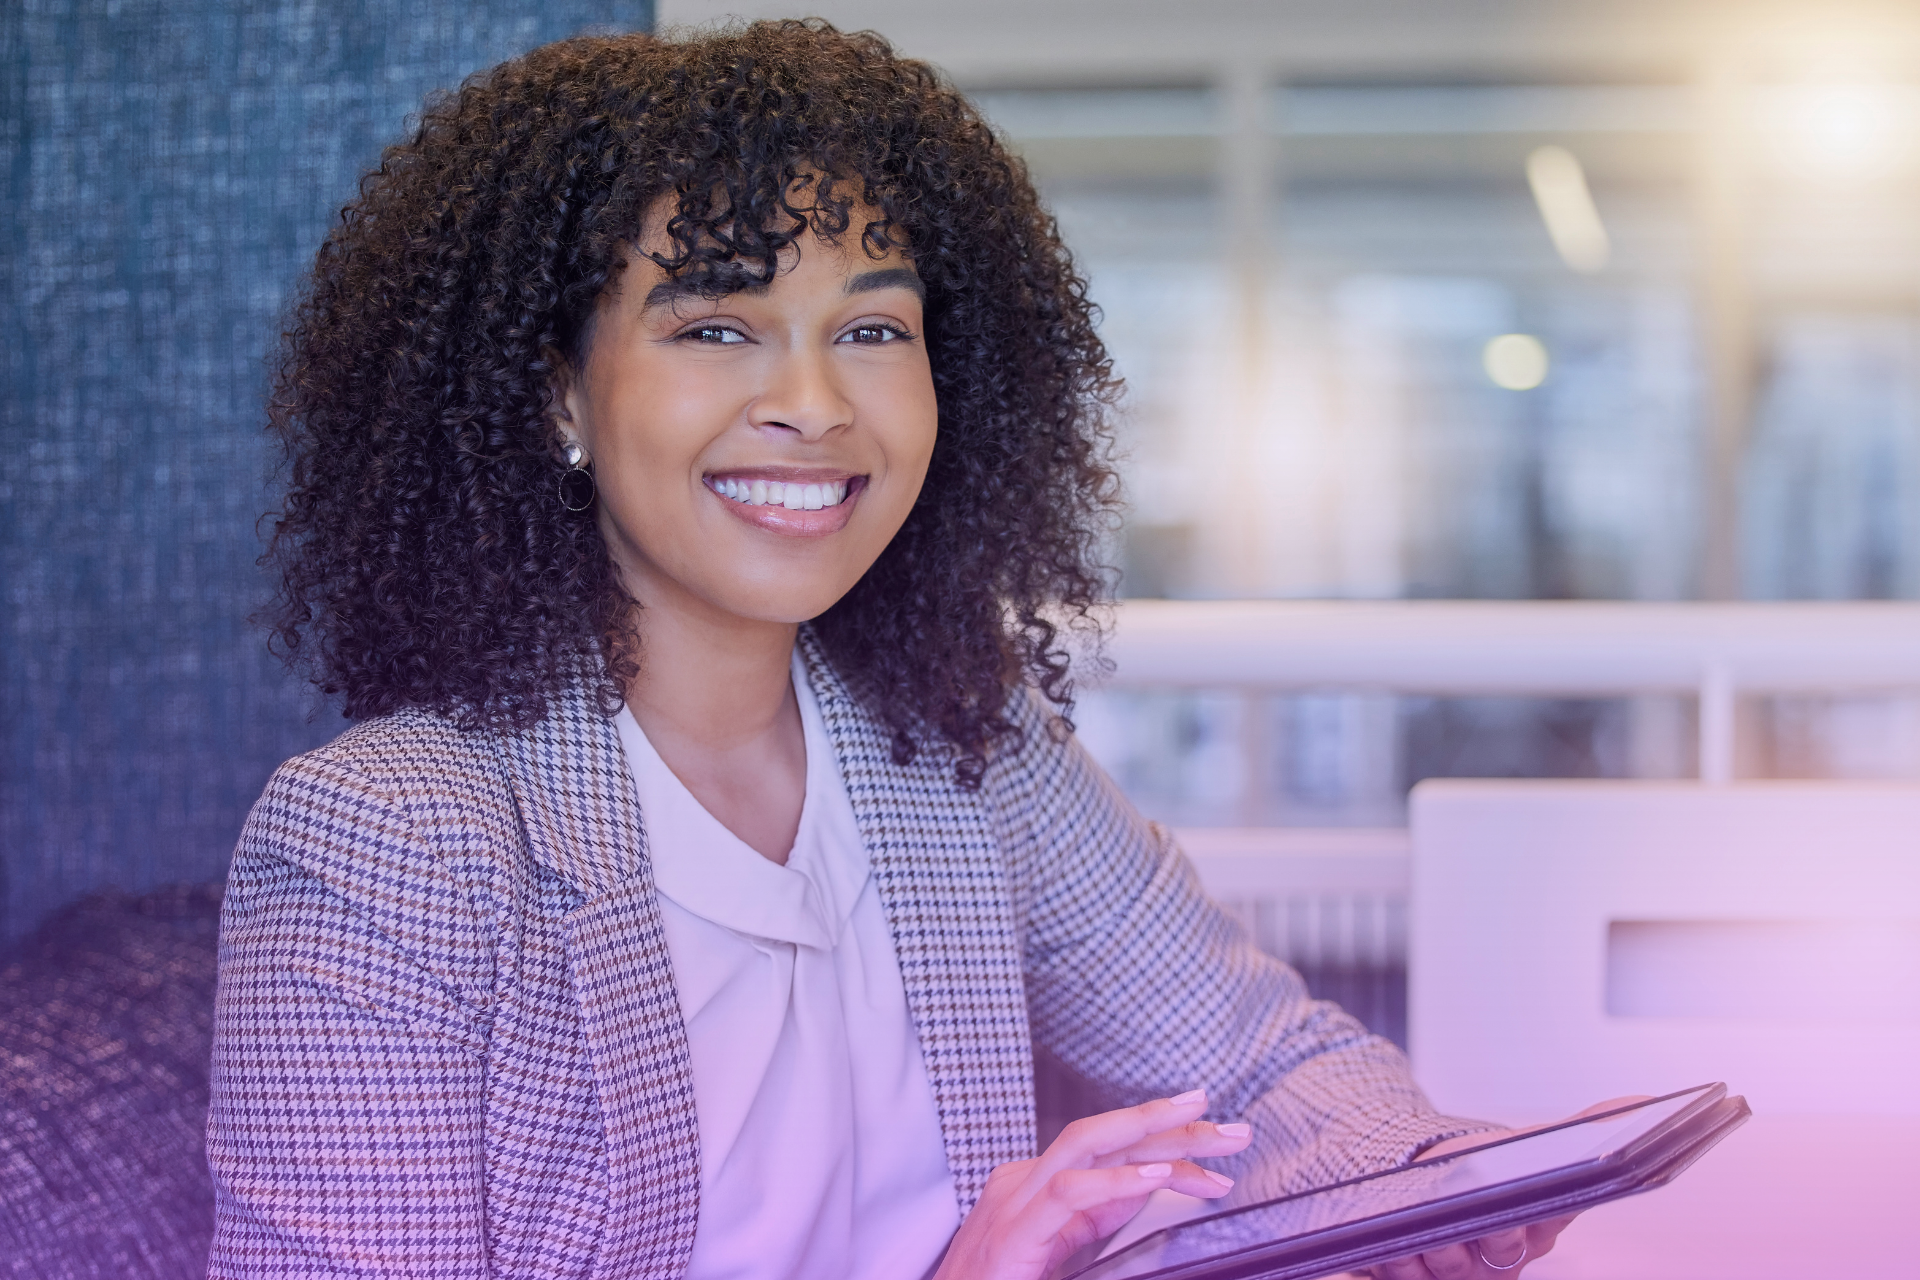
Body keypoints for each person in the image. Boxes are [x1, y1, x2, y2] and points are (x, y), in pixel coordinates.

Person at [208, 20, 1579, 1280]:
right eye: (716, 328)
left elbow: (1258, 1062)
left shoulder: (953, 741)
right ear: (560, 391)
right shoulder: (386, 844)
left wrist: (1420, 1179)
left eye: (871, 329)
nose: (812, 405)